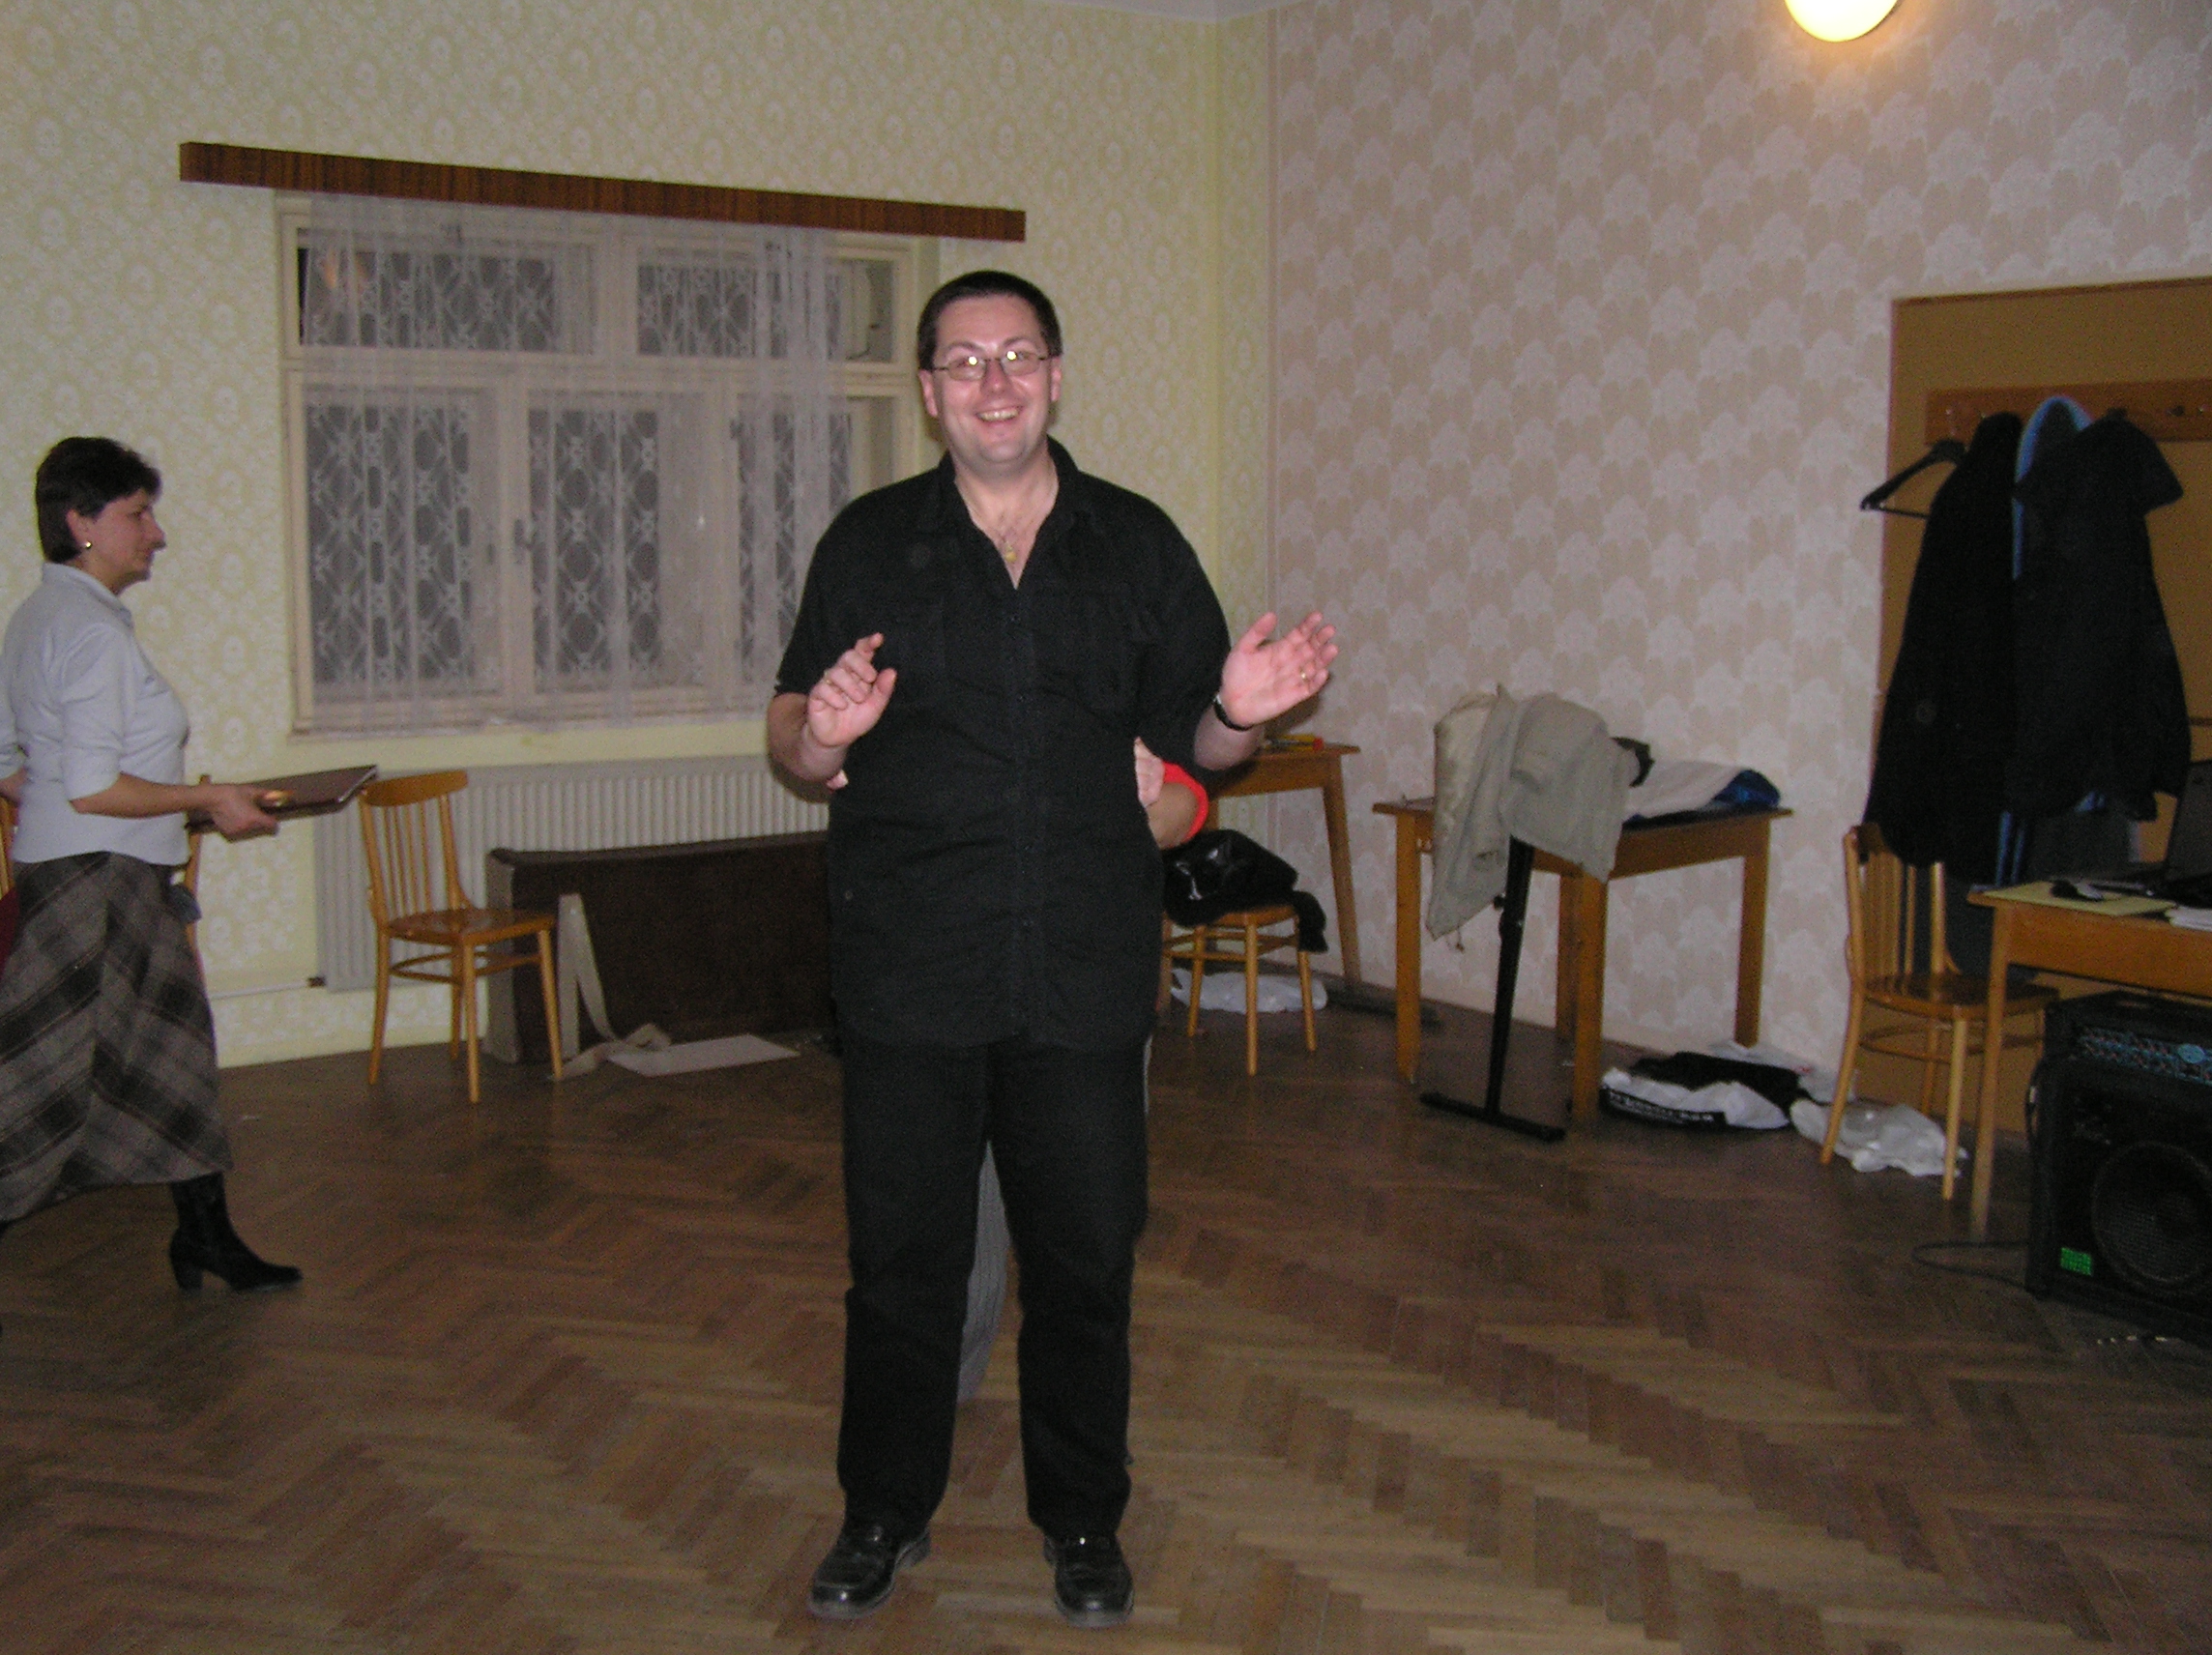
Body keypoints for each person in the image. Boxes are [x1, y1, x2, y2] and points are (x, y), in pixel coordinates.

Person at [769, 271, 1334, 1627]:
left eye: (1019, 354)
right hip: (911, 968)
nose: (996, 381)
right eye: (965, 361)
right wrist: (819, 735)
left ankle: (1082, 1520)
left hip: (1080, 971)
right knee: (902, 1268)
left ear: (1058, 376)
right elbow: (789, 733)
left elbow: (1200, 745)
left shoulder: (1136, 545)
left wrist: (1241, 713)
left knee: (1084, 1265)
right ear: (928, 392)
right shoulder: (867, 543)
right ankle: (882, 1510)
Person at [0, 436, 299, 1310]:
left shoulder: (41, 616)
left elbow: (16, 767)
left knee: (175, 1053)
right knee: (44, 1080)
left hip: (99, 874)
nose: (155, 533)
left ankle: (205, 1232)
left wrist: (71, 803)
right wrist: (213, 799)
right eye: (137, 514)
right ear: (81, 522)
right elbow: (93, 788)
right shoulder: (91, 633)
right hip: (96, 884)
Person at [955, 744, 1207, 1408]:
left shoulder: (1127, 683)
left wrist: (1114, 806)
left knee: (1089, 1231)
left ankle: (1083, 1426)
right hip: (967, 961)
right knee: (965, 1203)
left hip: (1092, 976)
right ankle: (944, 1385)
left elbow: (1183, 804)